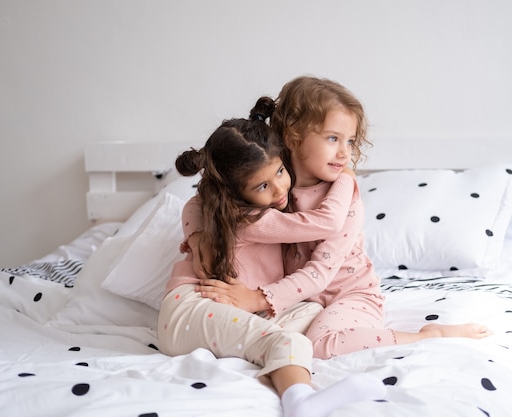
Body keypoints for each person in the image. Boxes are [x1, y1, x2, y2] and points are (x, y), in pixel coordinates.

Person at [193, 76, 492, 360]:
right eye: (333, 138)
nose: (344, 153)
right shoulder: (273, 184)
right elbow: (205, 198)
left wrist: (257, 298)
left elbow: (320, 274)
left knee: (320, 345)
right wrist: (197, 239)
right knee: (260, 342)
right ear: (293, 137)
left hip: (351, 296)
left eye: (349, 142)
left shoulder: (343, 197)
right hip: (301, 301)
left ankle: (428, 335)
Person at [157, 97, 385, 417]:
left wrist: (196, 238)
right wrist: (347, 177)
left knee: (311, 311)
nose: (279, 189)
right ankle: (300, 402)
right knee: (290, 343)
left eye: (280, 171)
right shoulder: (254, 219)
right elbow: (326, 222)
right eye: (263, 184)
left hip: (229, 310)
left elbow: (195, 203)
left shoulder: (252, 205)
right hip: (192, 308)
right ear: (233, 192)